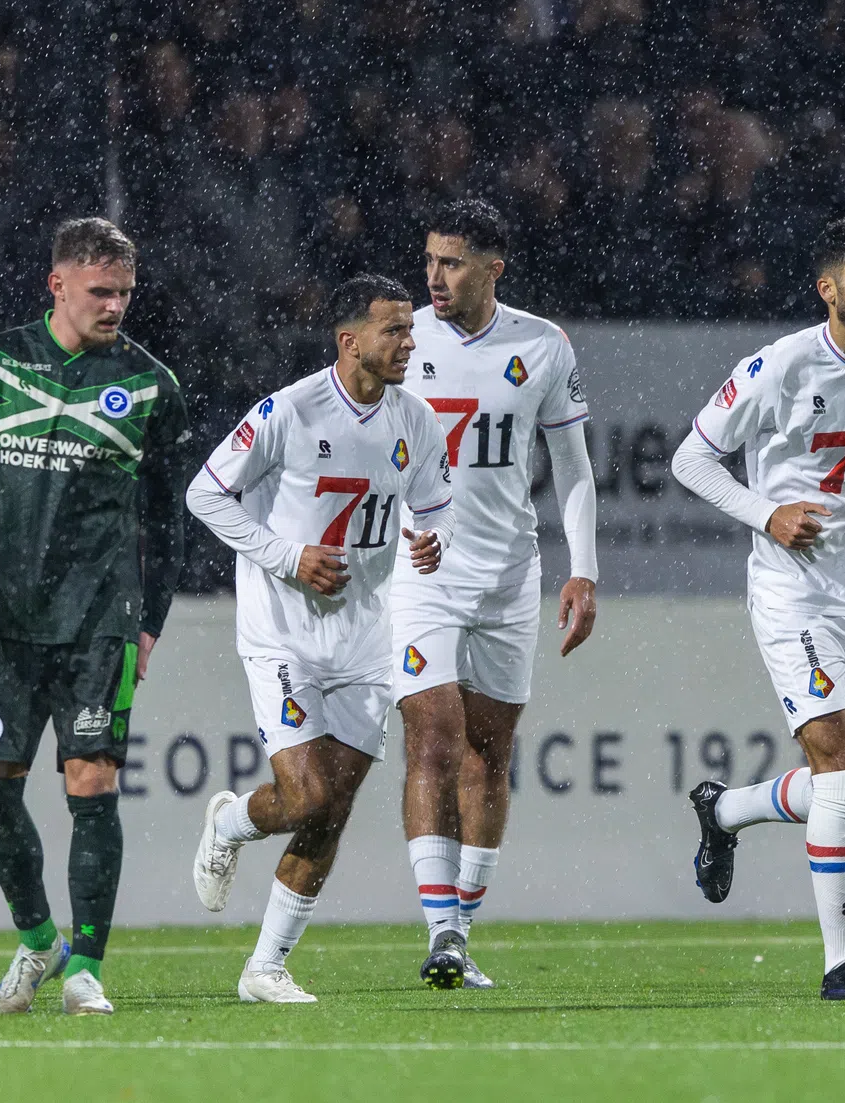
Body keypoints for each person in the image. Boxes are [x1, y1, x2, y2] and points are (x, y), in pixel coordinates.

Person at [0, 218, 191, 1016]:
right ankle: (39, 941)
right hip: (5, 614)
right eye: (101, 290)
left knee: (91, 784)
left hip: (100, 618)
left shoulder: (148, 385)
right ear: (57, 284)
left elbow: (167, 517)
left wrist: (151, 620)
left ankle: (87, 970)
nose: (115, 305)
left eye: (125, 293)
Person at [671, 217, 845, 1001]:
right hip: (792, 587)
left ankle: (725, 809)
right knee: (838, 762)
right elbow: (690, 458)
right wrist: (767, 515)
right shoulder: (779, 367)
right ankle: (840, 959)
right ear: (829, 289)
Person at [185, 273, 454, 1004]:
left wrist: (428, 541)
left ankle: (264, 967)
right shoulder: (288, 411)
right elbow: (204, 492)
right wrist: (286, 557)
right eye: (393, 330)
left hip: (367, 639)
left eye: (410, 329)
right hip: (282, 635)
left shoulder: (416, 421)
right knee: (302, 797)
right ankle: (233, 820)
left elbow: (433, 508)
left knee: (331, 808)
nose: (407, 342)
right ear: (349, 340)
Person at [392, 200, 598, 990]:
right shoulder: (400, 339)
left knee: (489, 752)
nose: (434, 277)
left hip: (511, 572)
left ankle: (460, 932)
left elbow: (573, 468)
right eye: (430, 260)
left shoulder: (542, 346)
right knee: (433, 736)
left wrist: (584, 568)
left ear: (492, 268)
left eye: (451, 263)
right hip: (420, 571)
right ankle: (439, 923)